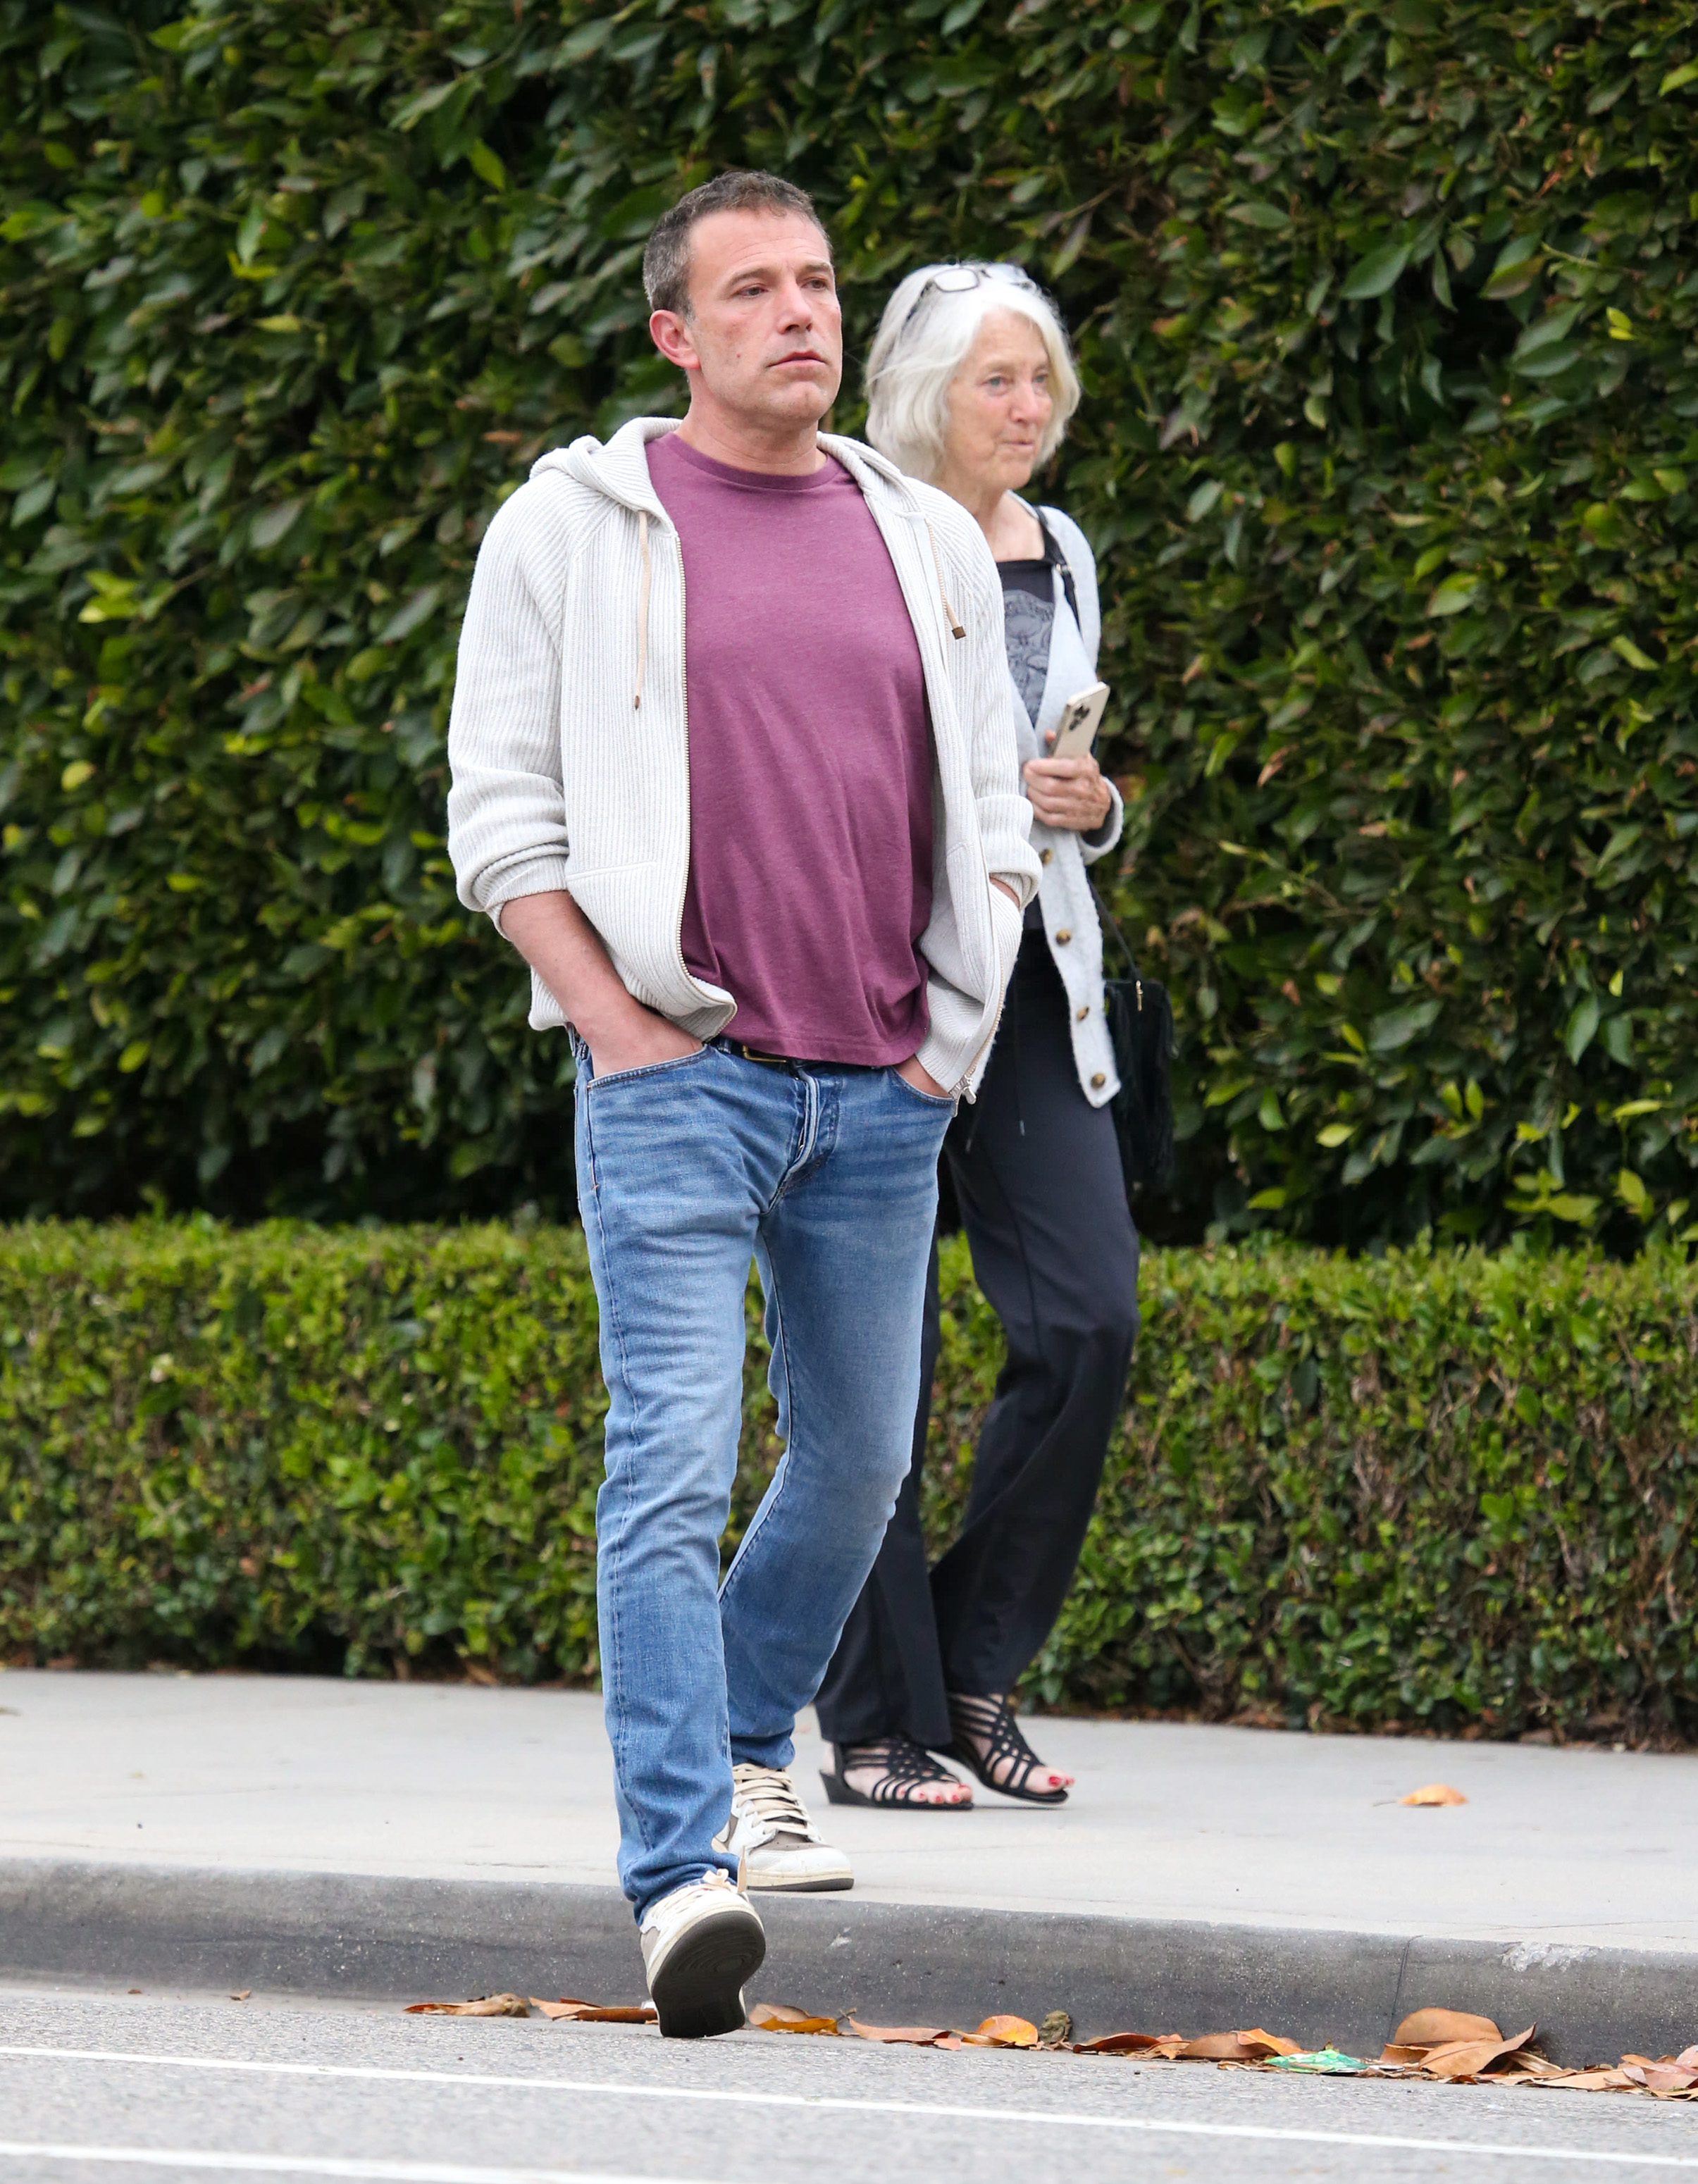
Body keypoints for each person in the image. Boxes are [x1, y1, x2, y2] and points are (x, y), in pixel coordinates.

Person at [446, 182, 1038, 2037]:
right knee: (672, 1458)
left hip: (880, 1088)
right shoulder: (568, 527)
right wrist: (616, 1026)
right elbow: (500, 823)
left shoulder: (920, 534)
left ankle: (727, 1727)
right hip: (680, 1083)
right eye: (754, 291)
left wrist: (950, 1040)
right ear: (675, 339)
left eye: (820, 283)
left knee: (859, 1465)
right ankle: (677, 1869)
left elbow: (992, 811)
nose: (802, 314)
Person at [814, 261, 1141, 1814]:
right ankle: (873, 1711)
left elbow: (1054, 773)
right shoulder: (855, 522)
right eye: (992, 382)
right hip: (874, 978)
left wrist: (1095, 803)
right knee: (870, 1355)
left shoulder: (1060, 546)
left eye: (1040, 383)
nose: (1026, 409)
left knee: (1086, 1320)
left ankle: (967, 1656)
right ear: (919, 392)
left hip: (1026, 976)